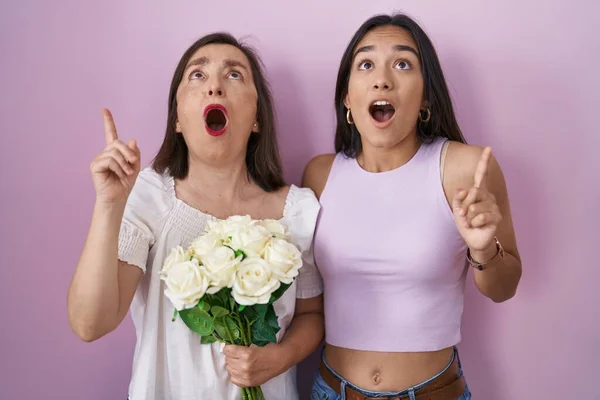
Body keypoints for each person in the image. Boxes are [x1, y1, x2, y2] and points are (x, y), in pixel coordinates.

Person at [67, 32, 324, 400]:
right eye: (197, 75)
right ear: (177, 121)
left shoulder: (297, 210)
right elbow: (89, 324)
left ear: (257, 119)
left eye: (234, 75)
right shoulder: (149, 195)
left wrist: (281, 356)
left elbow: (311, 315)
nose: (215, 87)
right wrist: (109, 204)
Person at [303, 13, 522, 400]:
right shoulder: (320, 176)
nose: (382, 78)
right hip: (330, 390)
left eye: (403, 63)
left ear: (425, 97)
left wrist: (483, 249)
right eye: (366, 63)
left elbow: (504, 288)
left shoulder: (465, 168)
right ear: (348, 98)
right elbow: (308, 303)